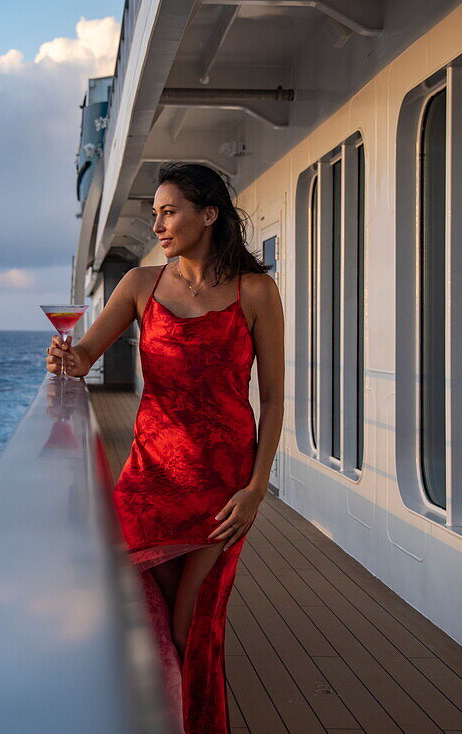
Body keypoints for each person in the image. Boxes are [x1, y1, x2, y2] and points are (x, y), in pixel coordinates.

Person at [43, 162, 284, 734]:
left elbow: (272, 400)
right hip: (150, 478)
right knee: (139, 611)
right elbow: (82, 361)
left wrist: (256, 489)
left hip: (223, 489)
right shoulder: (139, 285)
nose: (157, 224)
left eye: (168, 211)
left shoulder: (256, 291)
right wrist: (63, 359)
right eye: (154, 213)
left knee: (192, 627)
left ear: (208, 214)